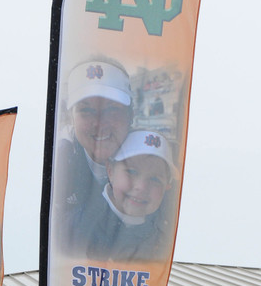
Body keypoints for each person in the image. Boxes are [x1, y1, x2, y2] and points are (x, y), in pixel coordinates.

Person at [66, 130, 178, 262]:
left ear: (167, 186)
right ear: (110, 171)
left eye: (155, 179)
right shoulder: (75, 227)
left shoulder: (167, 235)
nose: (141, 187)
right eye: (131, 171)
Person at [55, 59, 133, 211]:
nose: (99, 123)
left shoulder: (154, 165)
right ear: (72, 118)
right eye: (86, 110)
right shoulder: (57, 165)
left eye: (111, 109)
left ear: (131, 115)